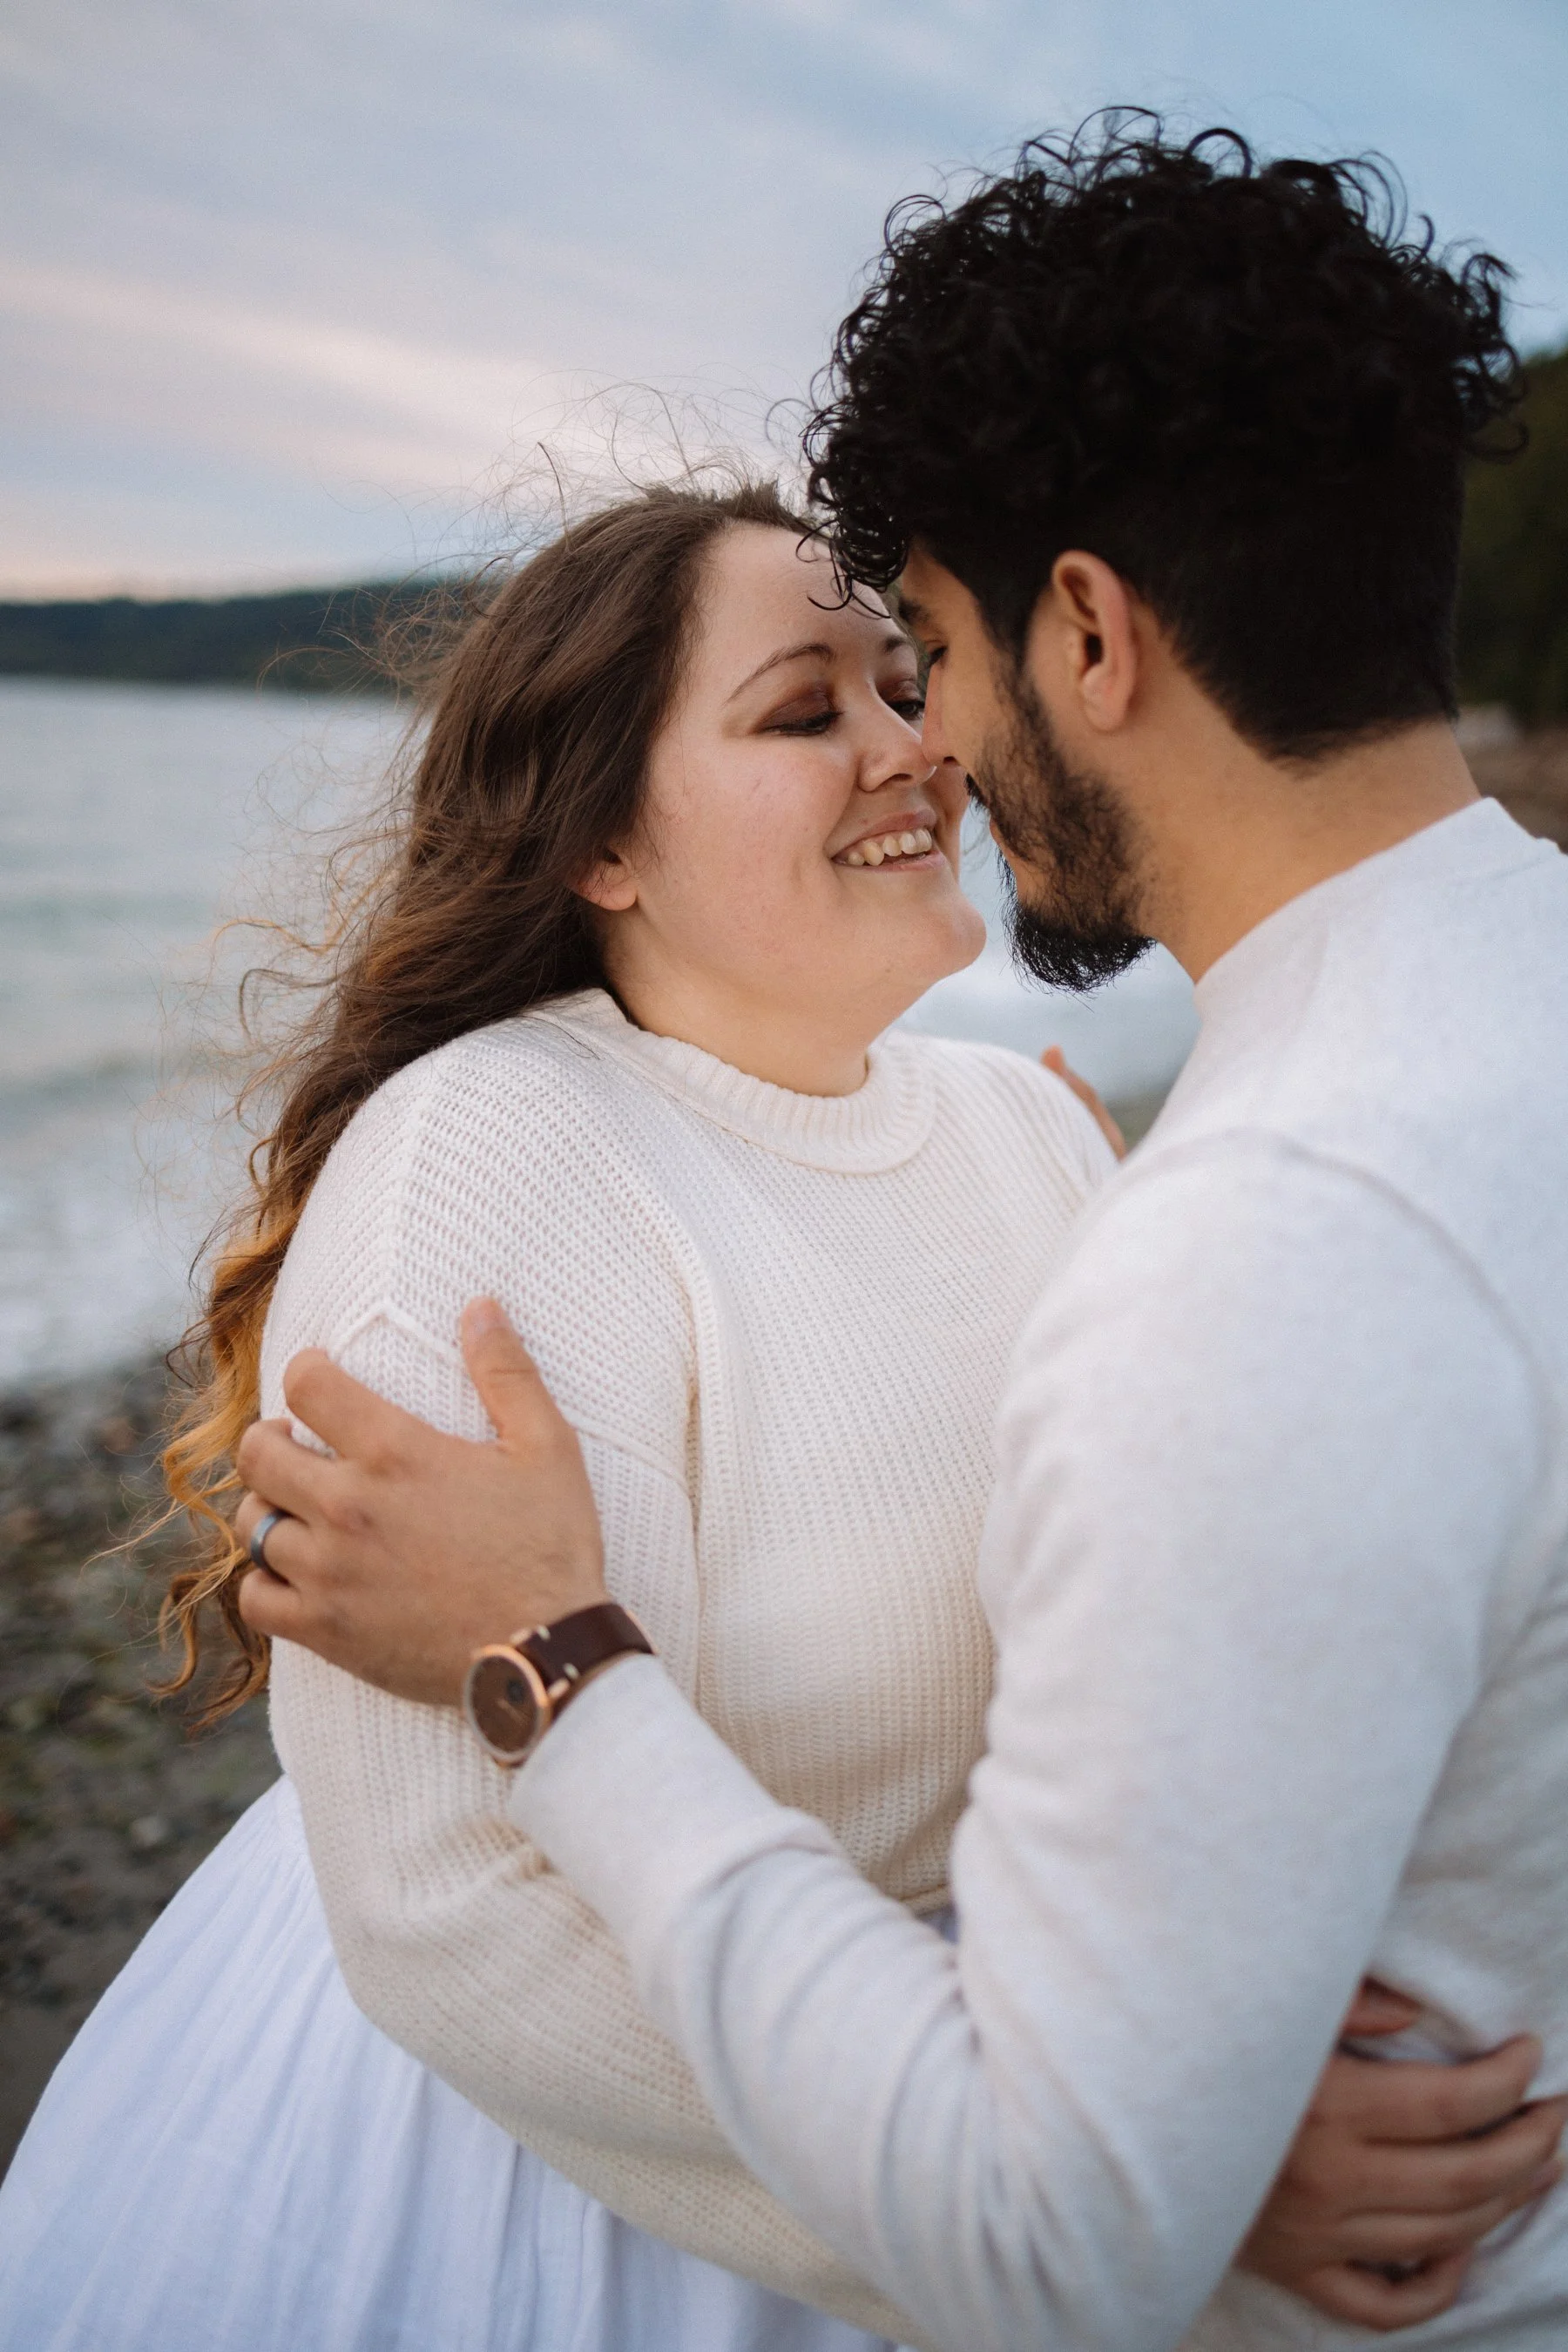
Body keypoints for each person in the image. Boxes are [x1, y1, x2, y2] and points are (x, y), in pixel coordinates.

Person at [223, 122, 1568, 2352]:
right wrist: (1169, 2141)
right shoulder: (487, 1172)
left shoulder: (1112, 1169)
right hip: (630, 2221)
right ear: (600, 847)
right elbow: (448, 1910)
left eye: (913, 651)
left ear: (1089, 632)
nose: (919, 740)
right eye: (809, 703)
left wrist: (1156, 2120)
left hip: (992, 2153)